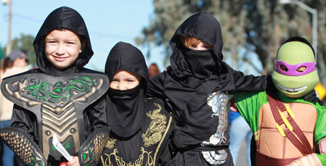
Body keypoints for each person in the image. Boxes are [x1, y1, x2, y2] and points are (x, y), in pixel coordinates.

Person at [147, 12, 270, 166]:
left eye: (206, 46)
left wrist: (292, 79)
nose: (199, 51)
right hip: (183, 159)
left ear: (215, 48)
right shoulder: (169, 79)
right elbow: (135, 90)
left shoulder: (225, 75)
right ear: (183, 45)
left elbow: (257, 83)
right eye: (193, 46)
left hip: (220, 159)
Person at [0, 6, 109, 166]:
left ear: (82, 45)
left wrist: (83, 160)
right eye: (52, 42)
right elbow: (20, 129)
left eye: (69, 43)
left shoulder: (94, 84)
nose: (60, 50)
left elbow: (100, 127)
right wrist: (35, 161)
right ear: (43, 42)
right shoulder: (26, 85)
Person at [233, 36, 326, 165]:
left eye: (300, 69)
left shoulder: (318, 111)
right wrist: (258, 82)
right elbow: (222, 83)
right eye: (286, 68)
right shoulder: (258, 101)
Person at [100, 42, 173, 166]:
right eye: (115, 80)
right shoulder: (98, 113)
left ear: (141, 81)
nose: (121, 87)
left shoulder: (160, 113)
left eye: (130, 80)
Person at [0, 50, 28, 166]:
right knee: (24, 155)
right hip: (20, 120)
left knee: (7, 153)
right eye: (24, 59)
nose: (25, 62)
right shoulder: (25, 74)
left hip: (3, 120)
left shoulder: (2, 74)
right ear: (17, 60)